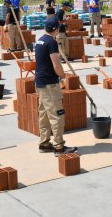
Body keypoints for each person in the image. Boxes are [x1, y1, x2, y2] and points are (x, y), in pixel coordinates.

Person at [34, 17, 78, 156]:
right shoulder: (52, 42)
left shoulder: (40, 40)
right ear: (55, 29)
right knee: (57, 115)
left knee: (44, 114)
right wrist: (63, 76)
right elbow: (56, 64)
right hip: (49, 85)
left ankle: (44, 143)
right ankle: (59, 147)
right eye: (58, 28)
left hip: (40, 83)